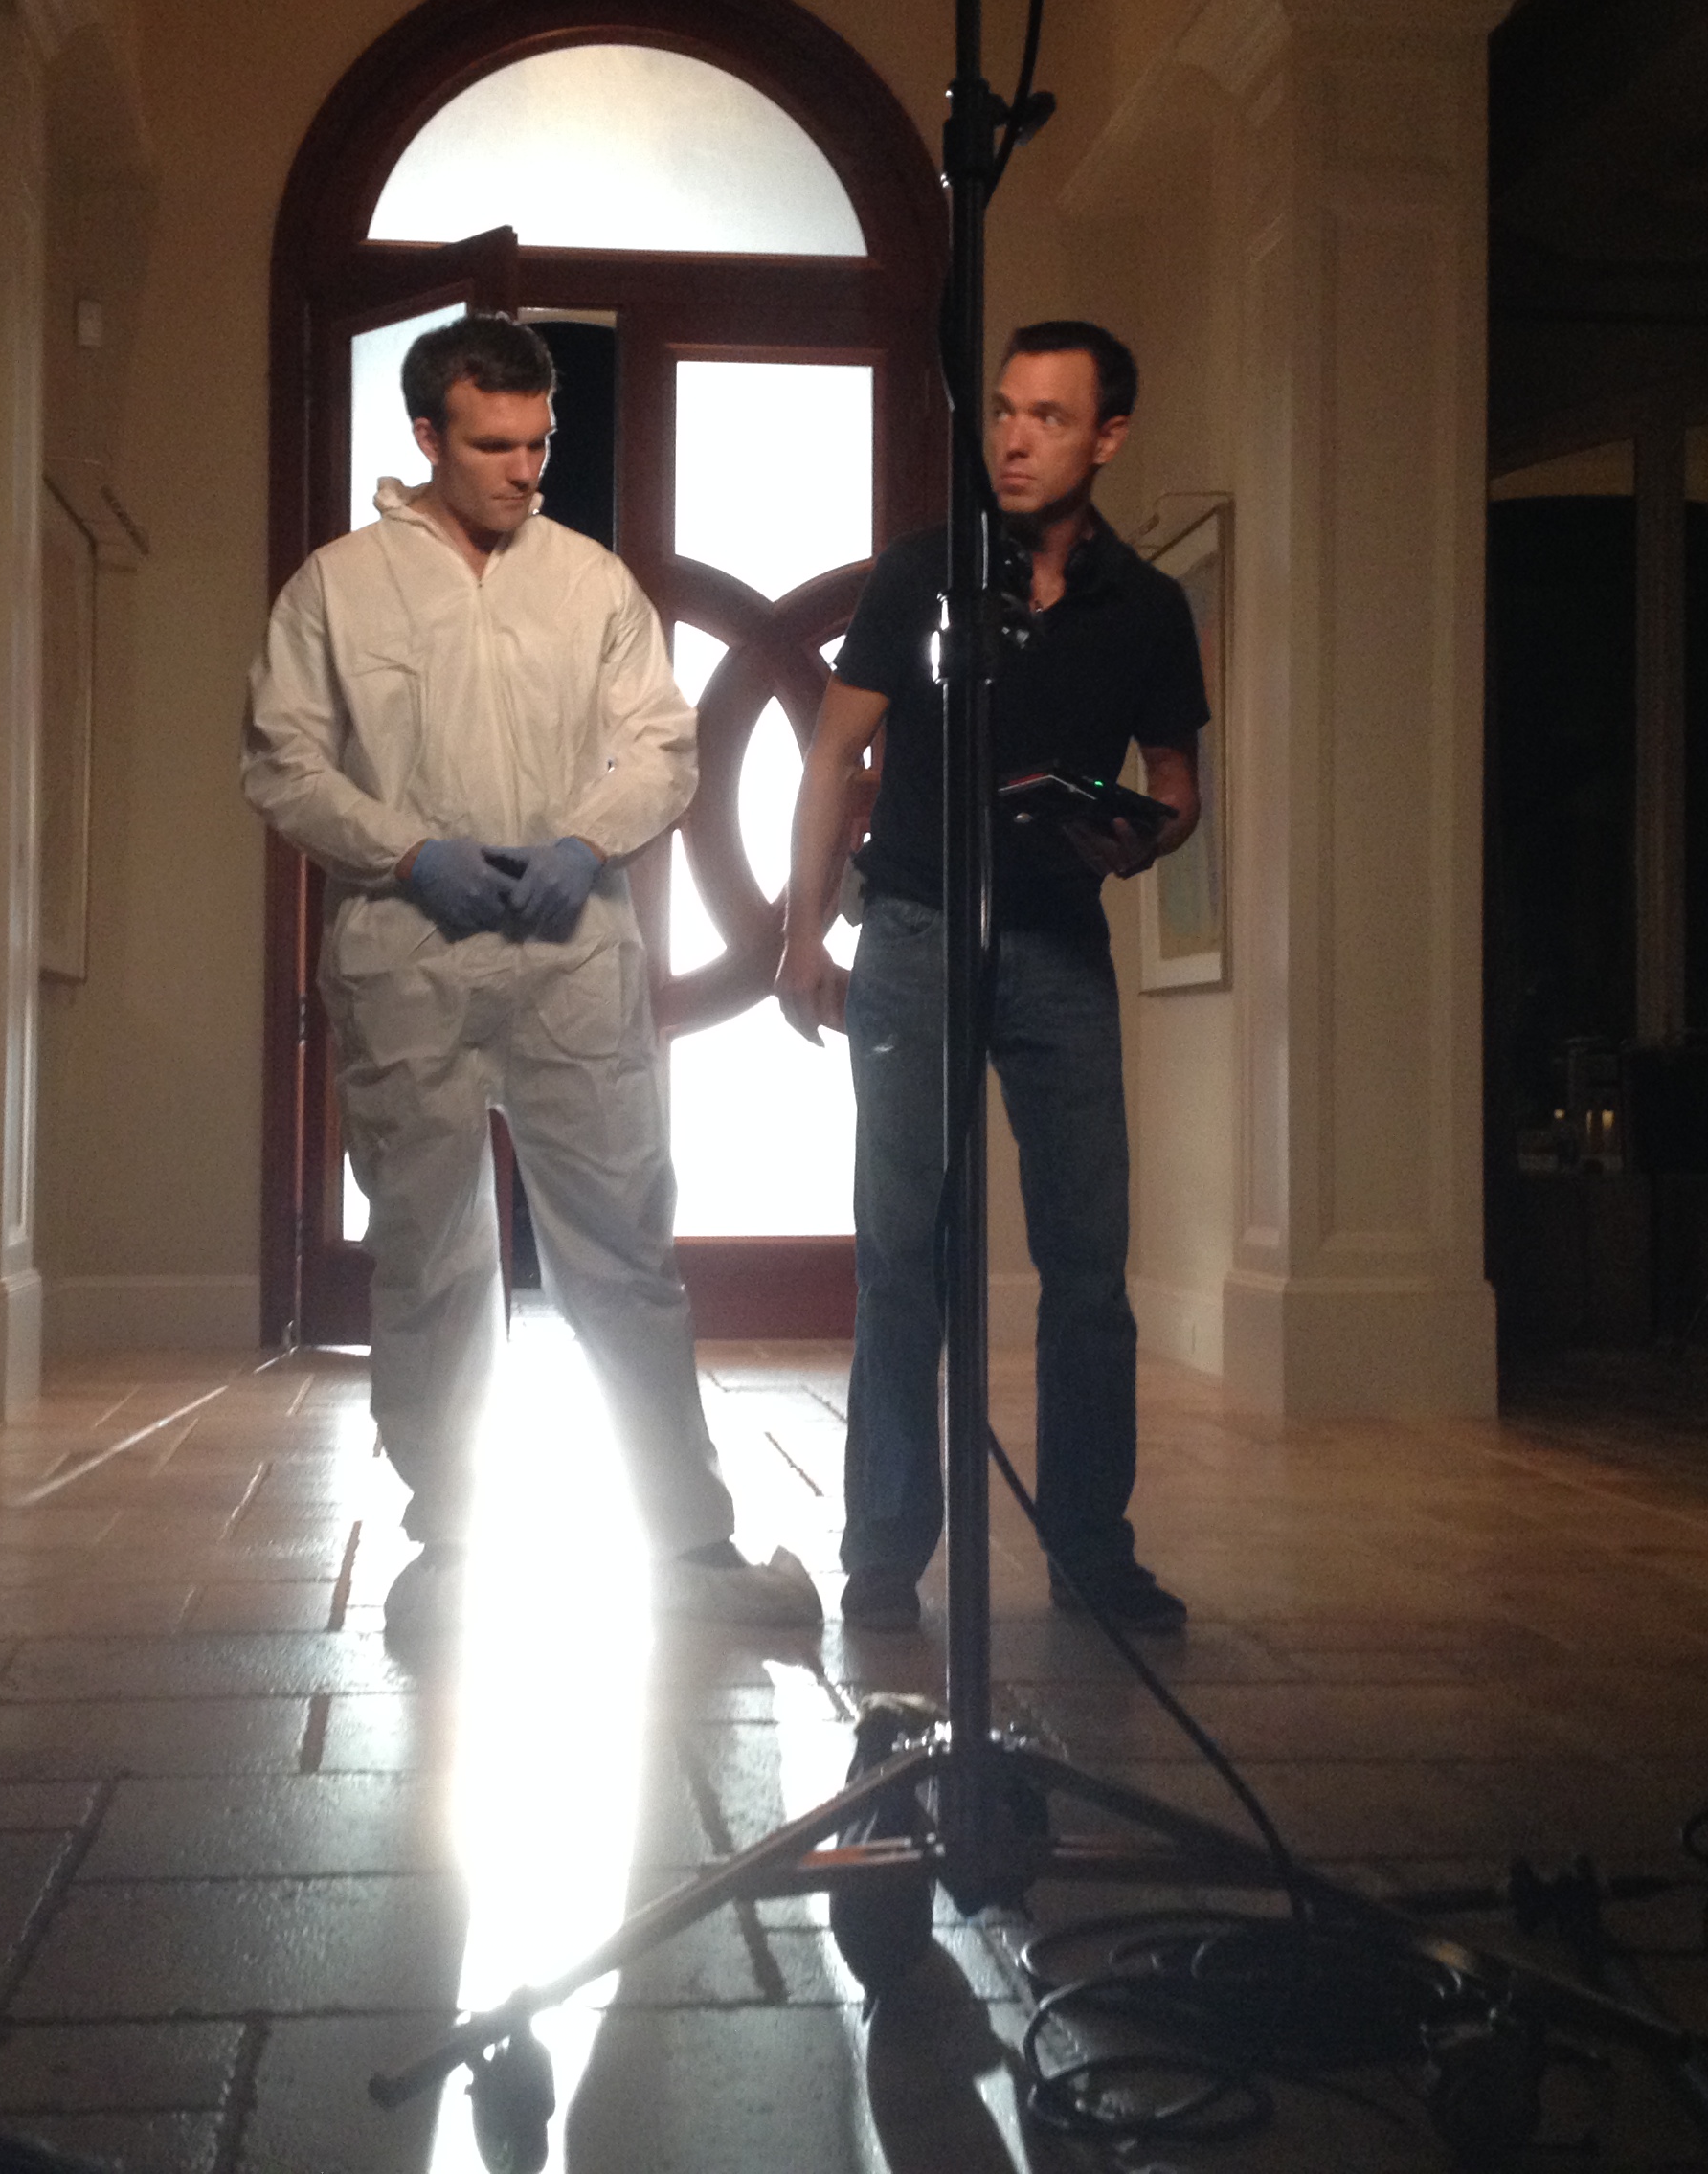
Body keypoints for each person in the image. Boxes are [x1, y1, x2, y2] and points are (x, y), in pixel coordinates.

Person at [243, 315, 820, 1636]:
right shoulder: (338, 588)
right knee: (430, 1261)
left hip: (572, 958)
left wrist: (583, 841)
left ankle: (690, 1549)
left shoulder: (591, 585)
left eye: (539, 443)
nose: (522, 469)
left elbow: (662, 750)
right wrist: (407, 853)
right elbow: (283, 760)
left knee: (623, 1251)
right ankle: (450, 1547)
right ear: (426, 437)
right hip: (410, 959)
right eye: (493, 444)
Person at [775, 321, 1207, 1633]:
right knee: (903, 1256)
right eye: (1006, 412)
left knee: (1089, 1264)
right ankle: (885, 1554)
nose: (1016, 439)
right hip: (911, 934)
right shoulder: (924, 577)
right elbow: (835, 761)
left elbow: (1180, 790)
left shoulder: (1152, 607)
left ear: (1109, 436)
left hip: (1062, 944)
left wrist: (1136, 831)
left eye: (1050, 418)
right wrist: (803, 937)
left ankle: (1090, 1549)